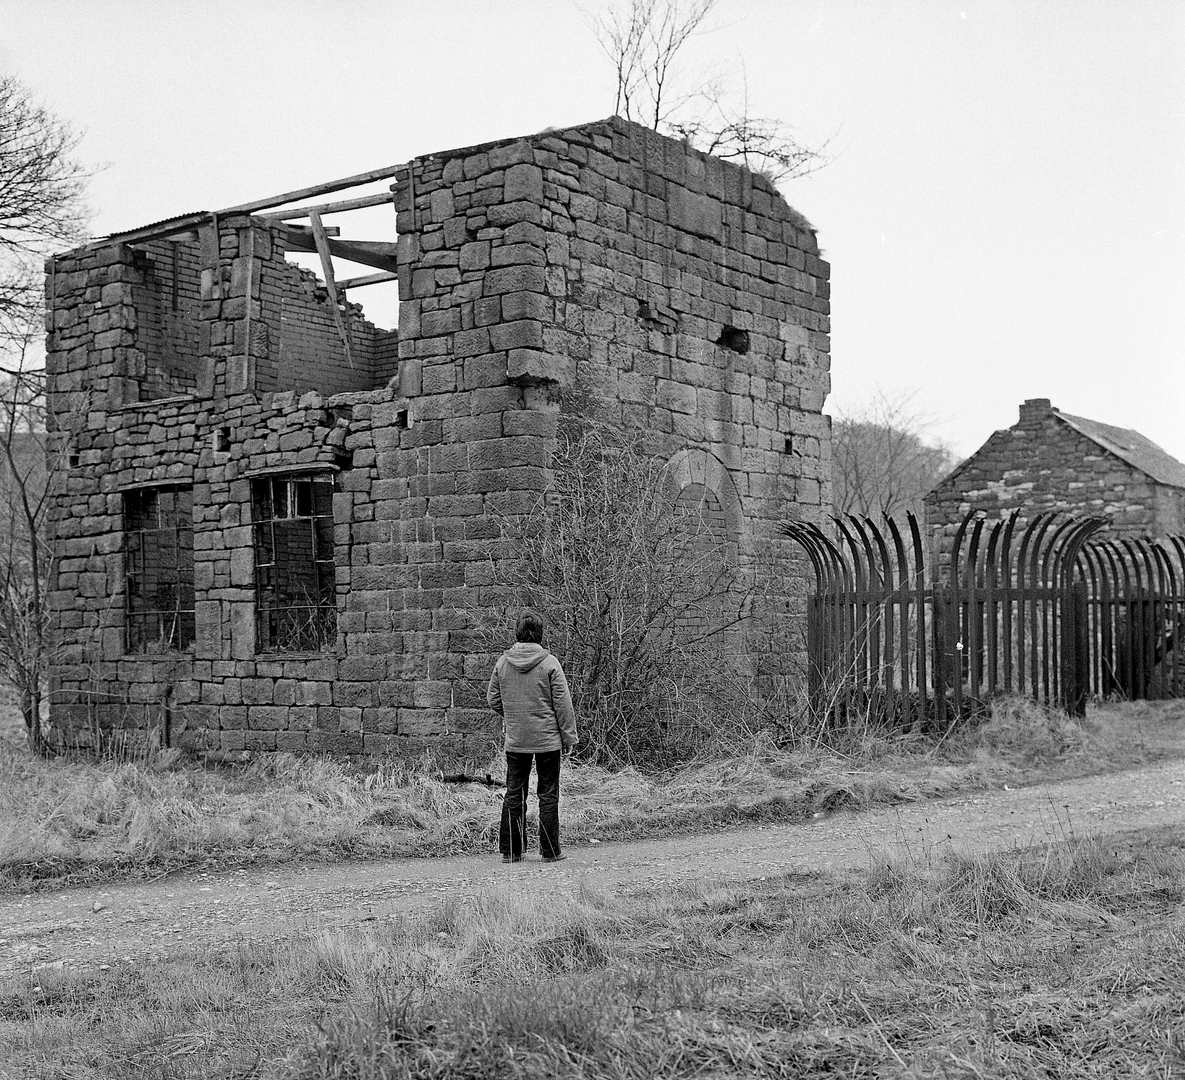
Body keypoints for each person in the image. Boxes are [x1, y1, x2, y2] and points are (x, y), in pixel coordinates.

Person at [486, 609, 578, 863]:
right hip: (548, 739)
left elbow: (492, 698)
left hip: (516, 738)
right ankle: (550, 851)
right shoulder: (550, 663)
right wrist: (568, 737)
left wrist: (514, 714)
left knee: (514, 792)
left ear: (517, 632)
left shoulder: (503, 663)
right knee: (548, 793)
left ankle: (512, 851)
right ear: (540, 634)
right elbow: (563, 705)